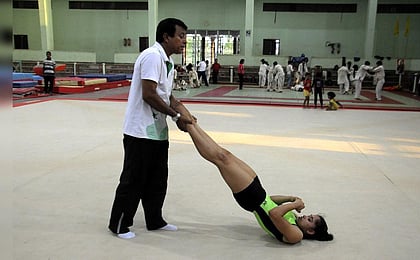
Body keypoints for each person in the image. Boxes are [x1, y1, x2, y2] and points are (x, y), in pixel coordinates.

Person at [179, 114, 333, 244]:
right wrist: (291, 198)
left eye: (310, 219)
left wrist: (294, 204)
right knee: (225, 154)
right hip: (259, 189)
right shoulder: (293, 218)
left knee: (220, 159)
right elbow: (271, 200)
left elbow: (274, 214)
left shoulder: (296, 235)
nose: (306, 215)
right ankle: (193, 125)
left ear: (311, 231)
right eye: (310, 215)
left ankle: (188, 126)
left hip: (250, 198)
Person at [108, 18, 195, 240]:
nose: (183, 41)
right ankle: (119, 224)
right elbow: (149, 94)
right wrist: (175, 116)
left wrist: (183, 111)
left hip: (157, 132)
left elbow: (166, 95)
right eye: (181, 36)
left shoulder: (168, 63)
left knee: (157, 179)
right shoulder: (152, 56)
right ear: (166, 37)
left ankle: (154, 220)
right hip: (140, 131)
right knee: (133, 179)